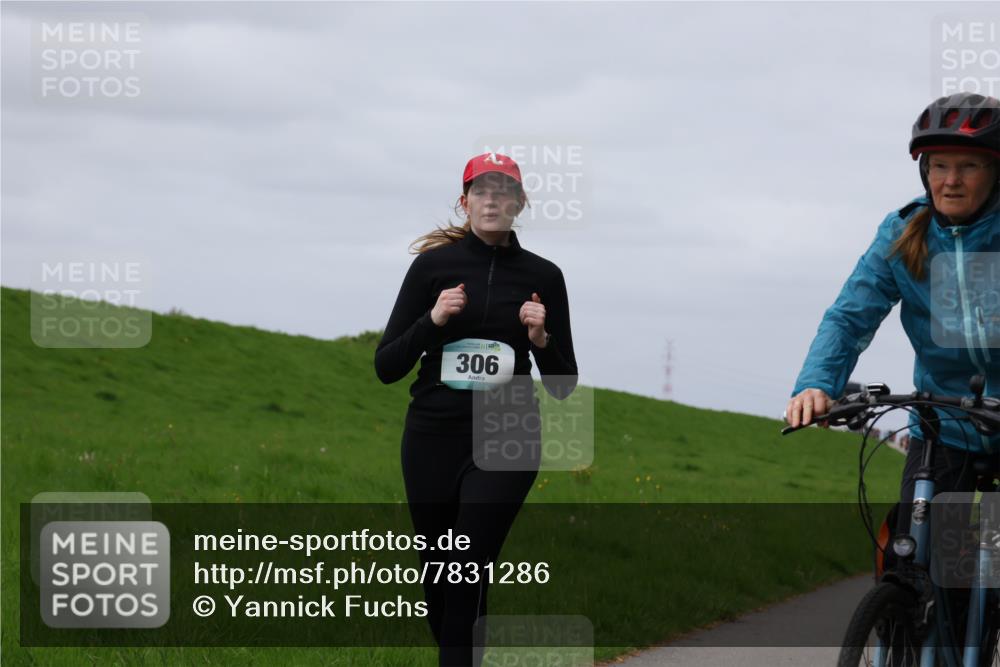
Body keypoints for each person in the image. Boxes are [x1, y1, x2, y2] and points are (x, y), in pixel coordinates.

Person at [374, 152, 579, 666]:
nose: (492, 200)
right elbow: (386, 365)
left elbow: (561, 384)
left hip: (508, 428)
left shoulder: (544, 276)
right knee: (441, 574)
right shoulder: (432, 269)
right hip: (433, 433)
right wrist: (434, 320)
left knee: (467, 562)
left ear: (519, 203)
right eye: (481, 192)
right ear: (465, 203)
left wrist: (541, 336)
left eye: (503, 191)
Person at [786, 92, 1000, 535]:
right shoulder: (903, 232)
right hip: (945, 424)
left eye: (969, 166)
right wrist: (815, 383)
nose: (951, 181)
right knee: (913, 554)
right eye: (940, 166)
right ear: (925, 172)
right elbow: (849, 317)